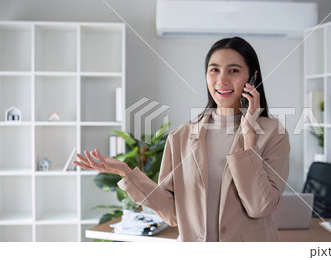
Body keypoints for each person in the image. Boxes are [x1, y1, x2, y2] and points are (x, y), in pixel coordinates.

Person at [74, 37, 290, 242]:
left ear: (252, 77)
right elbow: (173, 213)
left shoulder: (273, 134)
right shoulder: (181, 136)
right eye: (214, 70)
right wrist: (126, 173)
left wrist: (249, 137)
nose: (222, 80)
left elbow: (259, 207)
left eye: (233, 70)